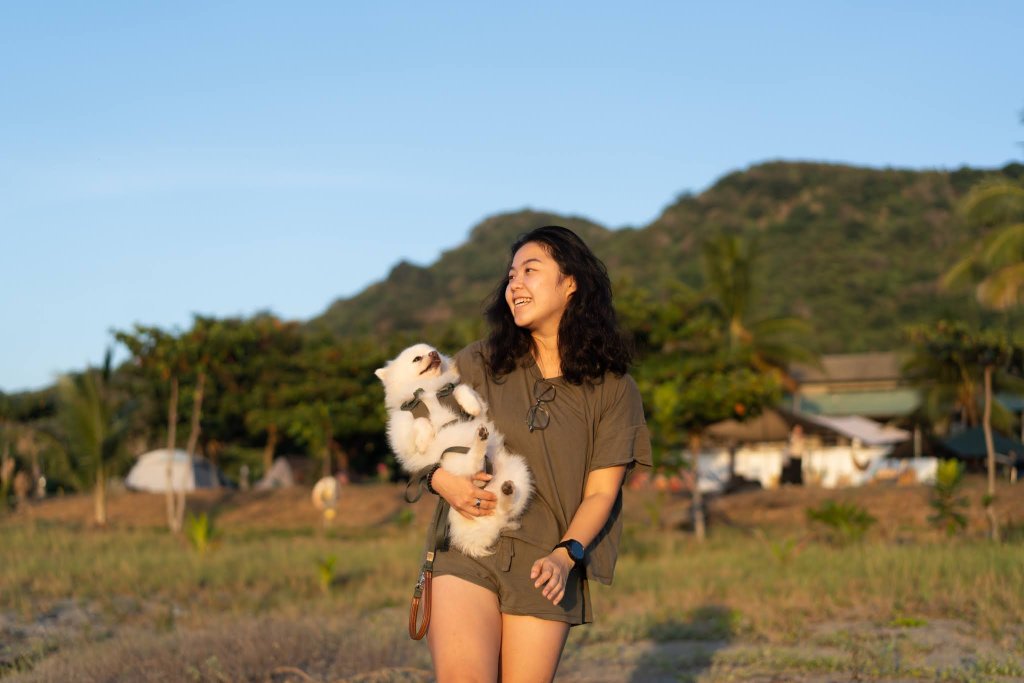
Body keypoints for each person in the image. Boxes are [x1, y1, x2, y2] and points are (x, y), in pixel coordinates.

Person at [426, 225, 652, 682]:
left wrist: (565, 555)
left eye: (531, 271)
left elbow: (601, 493)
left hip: (545, 566)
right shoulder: (478, 363)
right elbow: (421, 433)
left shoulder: (612, 388)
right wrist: (440, 479)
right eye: (511, 276)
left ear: (571, 283)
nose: (515, 285)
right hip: (468, 552)